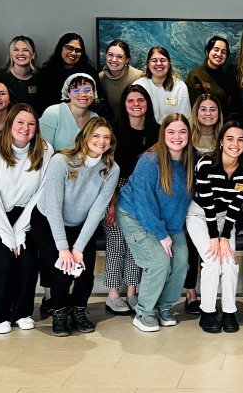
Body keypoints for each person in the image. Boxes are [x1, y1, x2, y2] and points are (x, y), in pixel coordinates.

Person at [31, 118, 119, 336]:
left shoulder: (111, 168)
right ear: (85, 137)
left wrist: (78, 247)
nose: (101, 141)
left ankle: (79, 311)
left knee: (85, 273)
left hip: (80, 225)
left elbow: (97, 210)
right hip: (48, 221)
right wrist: (63, 248)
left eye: (106, 137)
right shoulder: (62, 160)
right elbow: (53, 205)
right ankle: (60, 313)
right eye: (96, 136)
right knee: (62, 273)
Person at [0, 103, 54, 334]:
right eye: (20, 122)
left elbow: (40, 195)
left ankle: (22, 312)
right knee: (3, 259)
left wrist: (19, 231)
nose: (25, 128)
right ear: (9, 124)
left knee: (28, 259)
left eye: (31, 123)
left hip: (24, 212)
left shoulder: (45, 150)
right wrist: (6, 234)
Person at [117, 113, 194, 332]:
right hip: (137, 216)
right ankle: (144, 312)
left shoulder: (192, 159)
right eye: (171, 132)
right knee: (159, 261)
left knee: (181, 261)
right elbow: (143, 202)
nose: (177, 136)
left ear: (189, 134)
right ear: (163, 134)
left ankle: (164, 307)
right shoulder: (150, 160)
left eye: (182, 131)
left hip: (170, 219)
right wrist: (161, 234)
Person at [185, 121, 243, 333]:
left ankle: (229, 311)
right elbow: (208, 202)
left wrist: (224, 235)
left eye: (240, 139)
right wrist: (215, 237)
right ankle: (208, 312)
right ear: (221, 142)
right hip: (199, 215)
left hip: (225, 220)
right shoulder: (205, 164)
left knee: (229, 262)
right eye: (230, 138)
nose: (235, 144)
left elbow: (235, 206)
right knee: (213, 260)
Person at [102, 84, 160, 315]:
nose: (136, 105)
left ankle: (132, 292)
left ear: (147, 103)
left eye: (141, 100)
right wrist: (113, 201)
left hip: (145, 193)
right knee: (117, 241)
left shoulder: (157, 131)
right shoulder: (113, 130)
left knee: (138, 241)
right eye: (131, 100)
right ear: (124, 105)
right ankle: (113, 294)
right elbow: (105, 169)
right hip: (115, 190)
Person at [184, 94, 225, 314]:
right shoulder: (187, 134)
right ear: (196, 112)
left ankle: (214, 295)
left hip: (216, 203)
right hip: (190, 200)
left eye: (213, 109)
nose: (208, 113)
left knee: (211, 251)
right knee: (191, 249)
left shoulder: (224, 136)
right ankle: (191, 294)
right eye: (203, 109)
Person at [36, 33, 99, 114]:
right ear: (60, 48)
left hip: (84, 119)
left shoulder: (90, 73)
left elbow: (96, 99)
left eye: (78, 50)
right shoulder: (46, 74)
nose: (73, 53)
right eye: (69, 48)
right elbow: (41, 103)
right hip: (55, 119)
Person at [186, 36, 242, 122]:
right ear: (207, 51)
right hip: (200, 128)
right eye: (216, 50)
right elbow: (195, 108)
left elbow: (234, 111)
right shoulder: (195, 76)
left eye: (223, 52)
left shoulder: (230, 80)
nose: (219, 54)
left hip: (223, 129)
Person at [40, 73, 99, 151]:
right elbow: (42, 150)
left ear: (94, 93)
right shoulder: (53, 113)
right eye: (76, 90)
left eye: (87, 90)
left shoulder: (95, 118)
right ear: (68, 94)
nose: (83, 94)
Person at [135, 46, 191, 121]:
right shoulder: (138, 86)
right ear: (148, 64)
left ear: (169, 63)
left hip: (172, 131)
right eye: (154, 60)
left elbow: (184, 118)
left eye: (163, 60)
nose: (158, 63)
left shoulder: (180, 87)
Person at [99, 39, 143, 127]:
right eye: (110, 55)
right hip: (112, 126)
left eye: (119, 56)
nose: (114, 59)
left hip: (134, 126)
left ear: (127, 60)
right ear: (105, 56)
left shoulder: (138, 77)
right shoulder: (101, 78)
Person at [0, 36, 39, 107]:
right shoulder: (0, 77)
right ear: (11, 54)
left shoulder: (42, 76)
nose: (20, 53)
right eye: (16, 50)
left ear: (33, 54)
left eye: (26, 50)